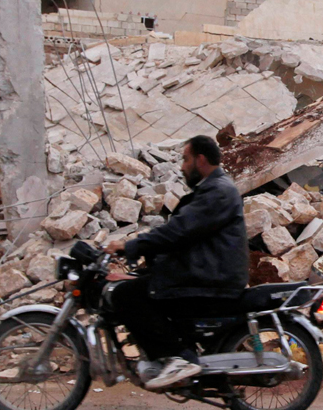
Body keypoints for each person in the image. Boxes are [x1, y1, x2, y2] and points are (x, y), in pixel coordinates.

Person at [103, 135, 249, 390]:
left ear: (200, 159)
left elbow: (178, 232)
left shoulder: (218, 192)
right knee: (140, 285)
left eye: (185, 159)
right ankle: (163, 358)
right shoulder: (213, 189)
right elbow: (183, 234)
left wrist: (130, 246)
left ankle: (180, 358)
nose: (182, 166)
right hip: (204, 272)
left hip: (209, 278)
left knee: (127, 295)